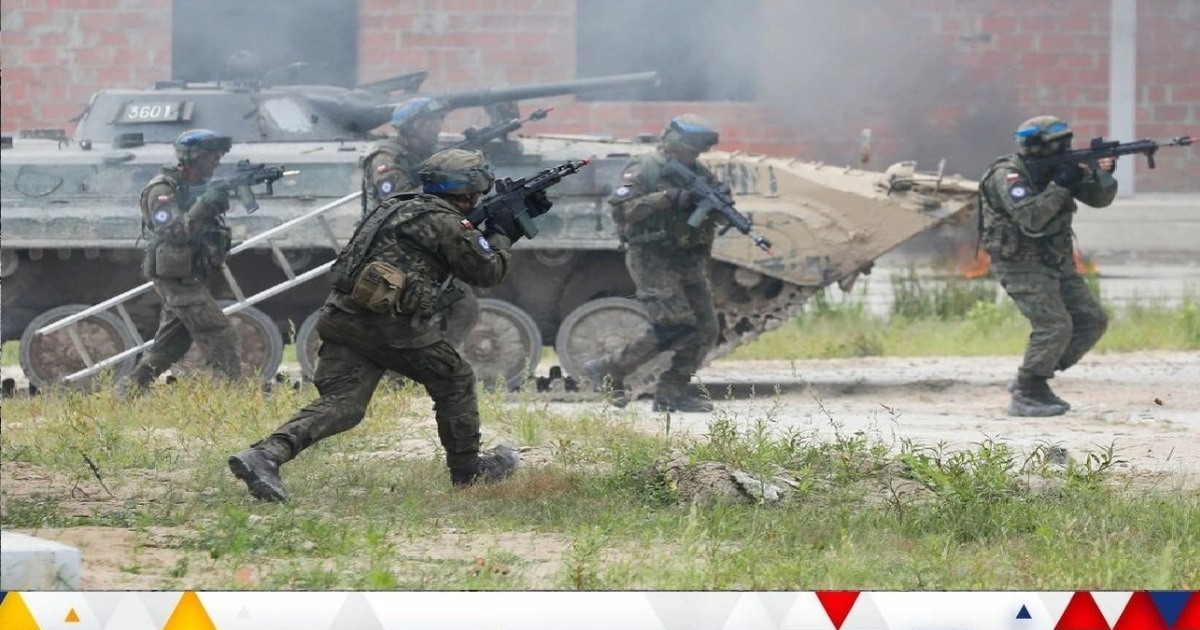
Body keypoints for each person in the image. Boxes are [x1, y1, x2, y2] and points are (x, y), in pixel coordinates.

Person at [228, 149, 521, 502]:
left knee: (344, 404)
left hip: (343, 316)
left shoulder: (395, 206)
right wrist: (503, 233)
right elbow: (487, 271)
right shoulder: (445, 222)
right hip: (388, 327)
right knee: (454, 378)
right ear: (468, 193)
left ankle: (264, 455)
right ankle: (467, 471)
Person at [581, 114, 724, 413]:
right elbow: (621, 212)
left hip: (689, 260)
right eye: (689, 149)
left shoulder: (699, 172)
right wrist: (667, 199)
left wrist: (716, 203)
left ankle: (671, 393)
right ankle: (609, 367)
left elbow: (718, 213)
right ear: (673, 144)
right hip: (653, 259)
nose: (694, 155)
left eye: (697, 151)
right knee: (676, 325)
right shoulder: (644, 169)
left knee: (706, 328)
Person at [978, 115, 1116, 417]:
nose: (1064, 149)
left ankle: (1033, 376)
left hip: (1055, 258)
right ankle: (1029, 389)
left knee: (1091, 319)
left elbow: (1099, 199)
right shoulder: (1008, 175)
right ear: (1036, 147)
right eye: (1057, 145)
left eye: (1067, 143)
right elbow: (1031, 217)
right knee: (1054, 325)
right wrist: (1060, 185)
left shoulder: (1058, 169)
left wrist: (1101, 175)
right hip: (1021, 262)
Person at [118, 129, 243, 395]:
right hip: (177, 279)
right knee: (220, 333)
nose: (216, 163)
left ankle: (124, 394)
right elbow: (173, 233)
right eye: (211, 157)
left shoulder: (190, 187)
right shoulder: (162, 190)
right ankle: (236, 397)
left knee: (169, 348)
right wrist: (206, 204)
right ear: (193, 158)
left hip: (190, 275)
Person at [360, 96, 479, 347]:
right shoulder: (385, 157)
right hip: (392, 249)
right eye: (429, 122)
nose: (436, 127)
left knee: (463, 307)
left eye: (439, 120)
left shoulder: (423, 154)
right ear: (410, 127)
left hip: (422, 247)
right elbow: (397, 201)